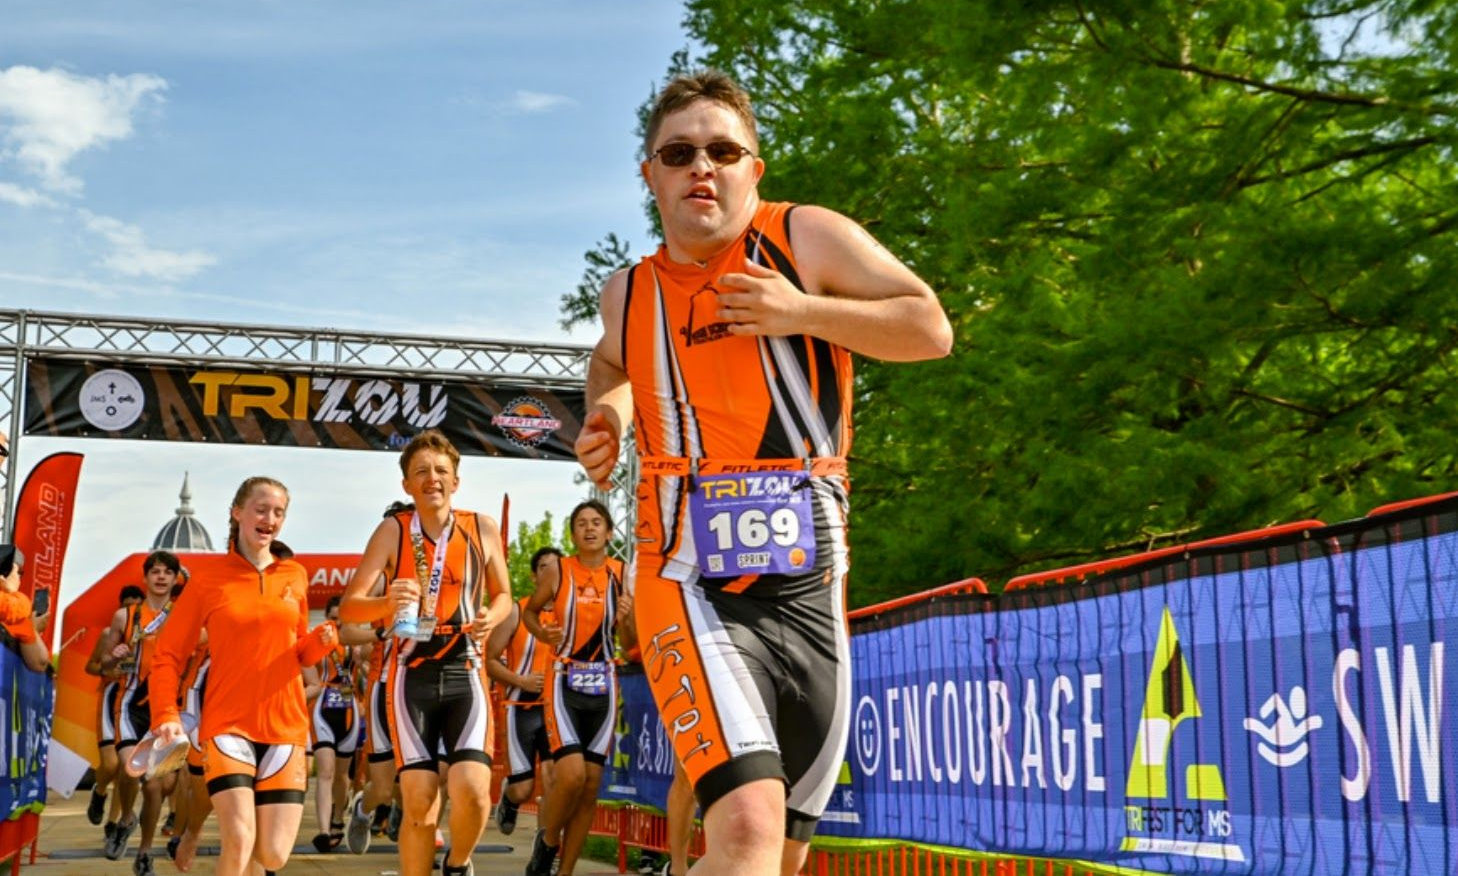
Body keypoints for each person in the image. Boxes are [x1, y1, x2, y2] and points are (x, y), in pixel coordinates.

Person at [574, 70, 952, 875]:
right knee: (745, 826)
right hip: (685, 574)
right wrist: (607, 415)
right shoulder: (629, 292)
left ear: (755, 167)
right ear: (650, 174)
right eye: (678, 153)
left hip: (813, 583)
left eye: (722, 150)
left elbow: (929, 327)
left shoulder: (804, 237)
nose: (700, 167)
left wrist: (802, 312)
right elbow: (609, 360)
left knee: (777, 856)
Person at [340, 429, 512, 876]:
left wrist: (491, 617)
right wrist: (386, 604)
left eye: (441, 471)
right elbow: (350, 607)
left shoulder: (481, 527)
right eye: (421, 472)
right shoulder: (392, 531)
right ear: (407, 486)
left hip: (464, 669)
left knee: (474, 791)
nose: (431, 478)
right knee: (418, 802)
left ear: (455, 481)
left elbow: (504, 595)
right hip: (408, 674)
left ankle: (457, 865)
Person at [147, 476, 337, 876]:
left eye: (279, 512)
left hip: (285, 728)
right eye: (261, 509)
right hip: (227, 726)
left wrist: (321, 643)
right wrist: (165, 714)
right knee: (239, 837)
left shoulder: (296, 576)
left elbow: (298, 649)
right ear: (237, 513)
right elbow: (166, 654)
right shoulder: (208, 580)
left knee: (272, 855)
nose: (270, 518)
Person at [521, 500, 633, 876]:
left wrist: (627, 619)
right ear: (572, 534)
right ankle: (548, 841)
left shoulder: (622, 574)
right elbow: (530, 612)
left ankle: (565, 871)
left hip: (604, 684)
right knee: (570, 775)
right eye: (581, 523)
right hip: (564, 680)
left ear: (609, 532)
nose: (589, 529)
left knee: (590, 786)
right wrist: (543, 632)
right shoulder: (559, 570)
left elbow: (630, 641)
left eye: (596, 522)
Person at [98, 550, 183, 874]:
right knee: (132, 770)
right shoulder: (125, 616)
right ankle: (126, 817)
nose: (161, 577)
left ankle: (145, 851)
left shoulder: (184, 615)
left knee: (155, 787)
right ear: (146, 577)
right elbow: (106, 663)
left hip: (167, 707)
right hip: (130, 702)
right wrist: (115, 654)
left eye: (167, 573)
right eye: (155, 572)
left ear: (175, 579)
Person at [484, 546, 562, 836]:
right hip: (521, 708)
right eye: (544, 567)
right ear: (533, 575)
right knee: (523, 788)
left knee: (555, 777)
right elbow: (489, 661)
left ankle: (546, 846)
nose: (551, 572)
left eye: (556, 566)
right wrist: (521, 681)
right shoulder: (518, 611)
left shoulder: (571, 611)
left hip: (557, 710)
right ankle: (509, 798)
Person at [85, 584, 145, 835]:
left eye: (136, 604)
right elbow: (91, 666)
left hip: (137, 702)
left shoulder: (151, 634)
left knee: (127, 766)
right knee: (110, 765)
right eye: (126, 604)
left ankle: (114, 821)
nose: (131, 609)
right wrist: (109, 670)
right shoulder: (110, 633)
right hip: (111, 697)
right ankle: (99, 793)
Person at [309, 595, 363, 852]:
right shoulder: (317, 640)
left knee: (342, 775)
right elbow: (304, 666)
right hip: (323, 709)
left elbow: (368, 669)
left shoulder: (358, 642)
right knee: (326, 772)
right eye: (332, 617)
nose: (337, 623)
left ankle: (338, 818)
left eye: (342, 618)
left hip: (349, 708)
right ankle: (322, 831)